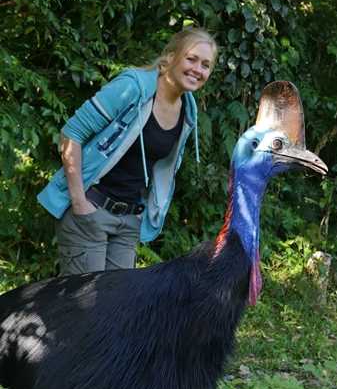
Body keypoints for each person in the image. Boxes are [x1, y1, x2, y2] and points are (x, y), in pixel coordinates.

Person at [38, 27, 217, 275]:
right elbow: (71, 134)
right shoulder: (132, 88)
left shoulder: (188, 109)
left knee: (117, 309)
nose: (198, 69)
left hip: (129, 220)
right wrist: (79, 202)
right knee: (84, 308)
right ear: (172, 56)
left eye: (206, 65)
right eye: (191, 59)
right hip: (91, 208)